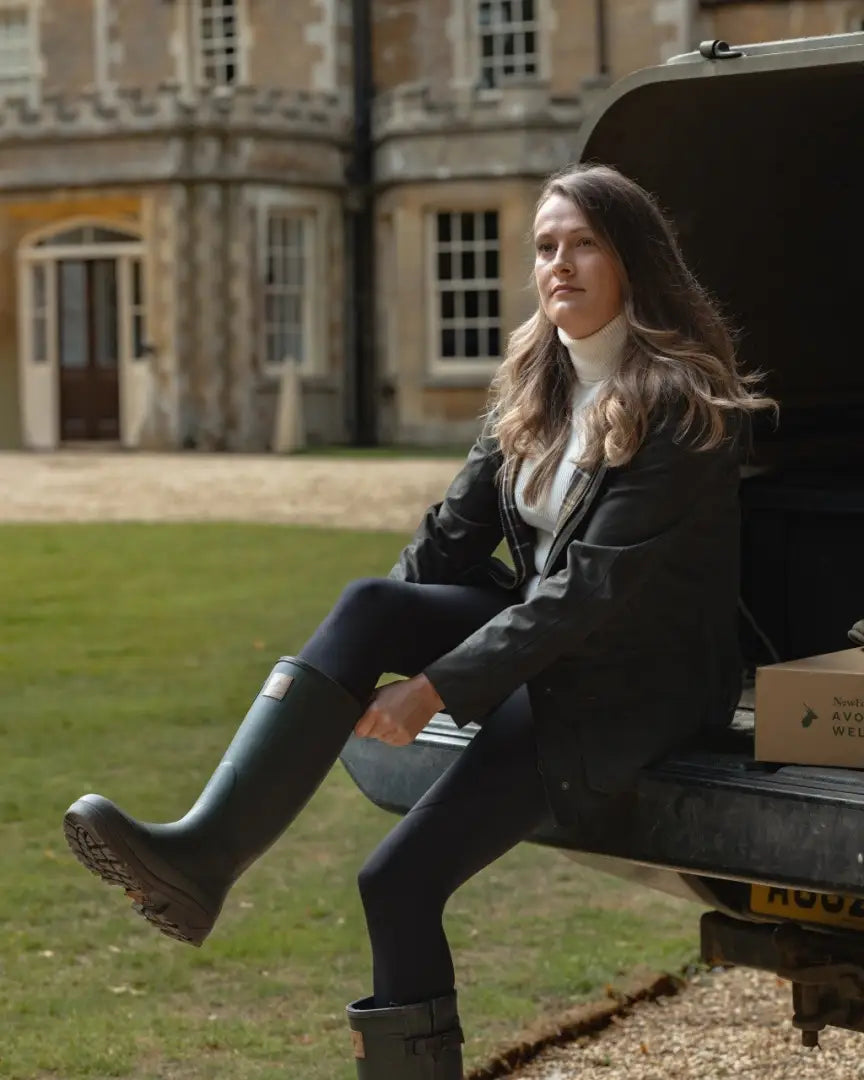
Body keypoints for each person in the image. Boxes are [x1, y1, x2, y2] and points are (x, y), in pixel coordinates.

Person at [63, 164, 776, 1080]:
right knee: (370, 602)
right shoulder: (537, 381)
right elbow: (447, 541)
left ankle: (212, 873)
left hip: (629, 686)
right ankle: (203, 856)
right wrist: (383, 650)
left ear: (634, 258)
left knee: (393, 883)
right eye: (545, 247)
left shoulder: (680, 404)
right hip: (549, 649)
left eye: (584, 243)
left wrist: (435, 687)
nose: (559, 263)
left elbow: (589, 592)